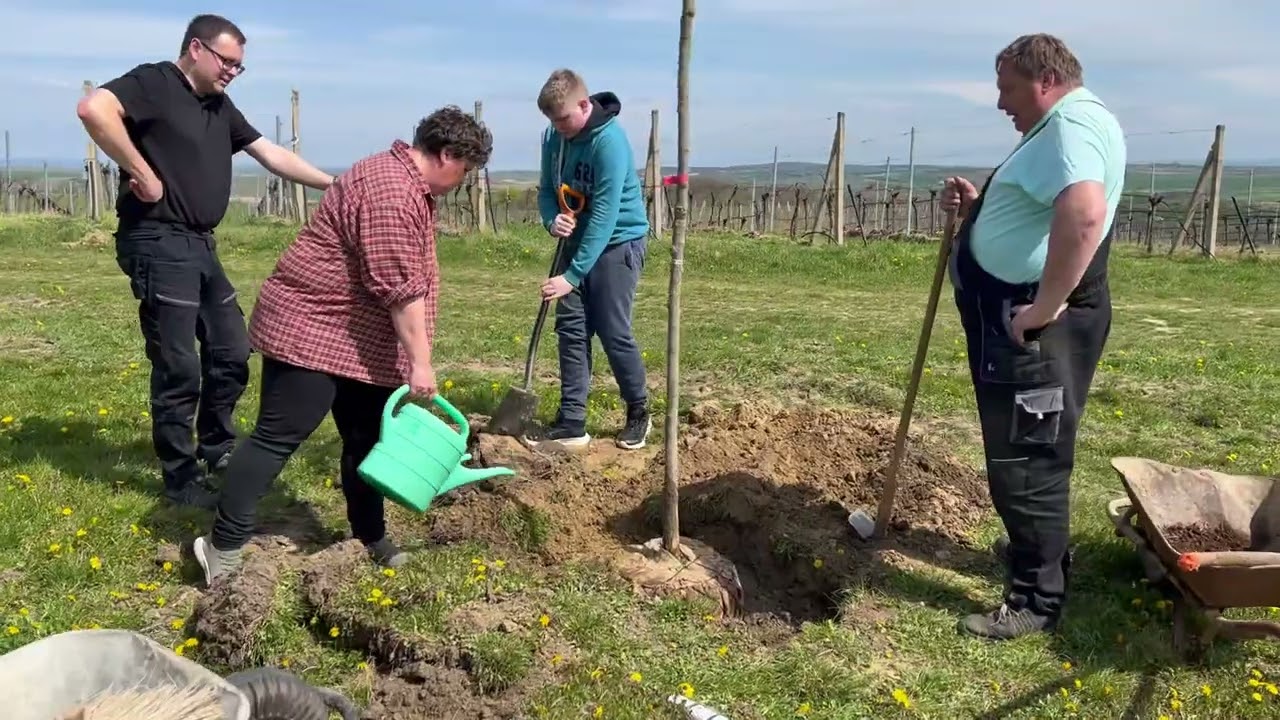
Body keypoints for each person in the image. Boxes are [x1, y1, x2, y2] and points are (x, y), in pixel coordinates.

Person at [191, 106, 493, 587]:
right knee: (278, 436)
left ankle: (370, 537)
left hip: (358, 339)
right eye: (466, 169)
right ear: (446, 154)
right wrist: (420, 364)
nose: (463, 180)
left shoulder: (396, 178)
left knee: (365, 440)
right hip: (312, 329)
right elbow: (399, 289)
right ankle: (222, 546)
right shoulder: (392, 192)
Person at [76, 14, 335, 510]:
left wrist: (334, 184)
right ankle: (179, 477)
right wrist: (140, 171)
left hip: (199, 244)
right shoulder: (155, 82)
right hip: (157, 239)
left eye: (240, 67)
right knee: (178, 366)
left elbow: (269, 153)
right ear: (196, 48)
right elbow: (93, 109)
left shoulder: (218, 104)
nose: (233, 73)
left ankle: (217, 445)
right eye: (227, 62)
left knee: (232, 352)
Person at [940, 33, 1126, 640]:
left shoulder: (1070, 129)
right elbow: (1045, 212)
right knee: (1028, 450)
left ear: (1044, 81)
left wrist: (1042, 307)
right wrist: (981, 210)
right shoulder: (1072, 125)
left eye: (1007, 89)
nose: (1000, 104)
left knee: (1027, 458)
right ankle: (1038, 555)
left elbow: (1084, 211)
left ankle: (1036, 599)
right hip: (1026, 320)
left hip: (1031, 329)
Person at [528, 68, 652, 451]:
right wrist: (553, 220)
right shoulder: (554, 136)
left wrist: (573, 274)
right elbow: (548, 190)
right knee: (572, 330)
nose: (558, 126)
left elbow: (605, 215)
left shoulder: (610, 142)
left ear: (584, 105)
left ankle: (639, 410)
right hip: (576, 241)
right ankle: (571, 421)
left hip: (617, 243)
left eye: (563, 118)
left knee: (613, 331)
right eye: (551, 120)